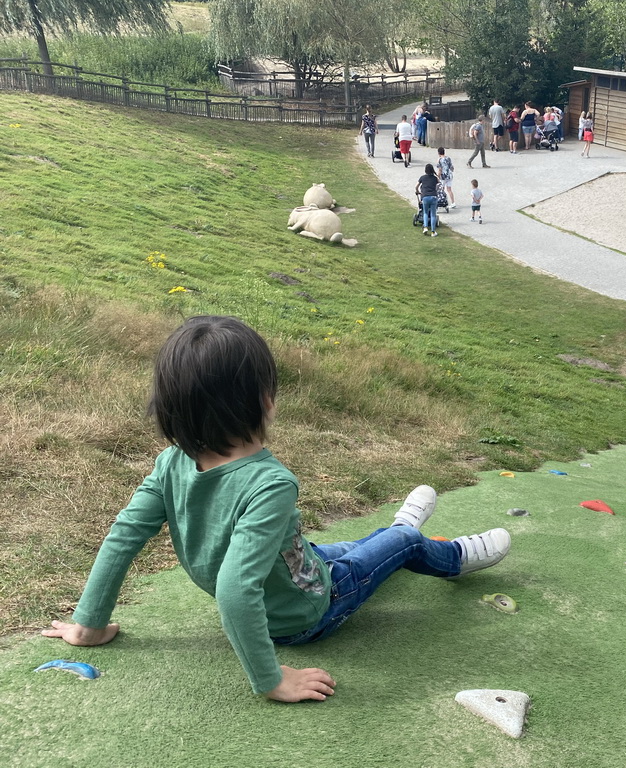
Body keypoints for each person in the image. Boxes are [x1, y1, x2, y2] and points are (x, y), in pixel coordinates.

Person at [41, 316, 512, 702]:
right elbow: (233, 587)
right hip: (306, 612)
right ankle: (445, 555)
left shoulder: (170, 462)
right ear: (265, 400)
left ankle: (393, 536)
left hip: (294, 567)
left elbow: (123, 537)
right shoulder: (271, 483)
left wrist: (89, 623)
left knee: (342, 549)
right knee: (402, 544)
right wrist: (270, 679)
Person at [416, 163, 441, 237]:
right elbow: (439, 183)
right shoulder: (434, 178)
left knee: (425, 213)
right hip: (433, 197)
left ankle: (426, 227)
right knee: (433, 214)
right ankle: (433, 231)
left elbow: (416, 186)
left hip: (425, 197)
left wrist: (418, 191)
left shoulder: (422, 178)